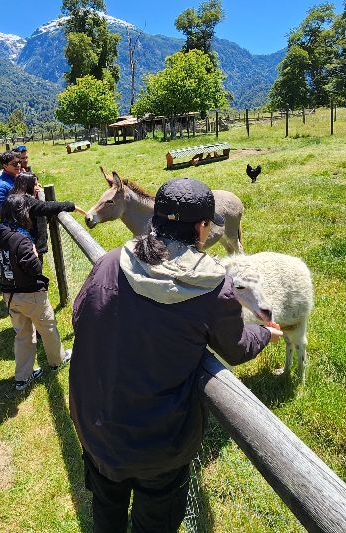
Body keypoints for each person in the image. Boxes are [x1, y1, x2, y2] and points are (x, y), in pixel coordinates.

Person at [68, 178, 283, 532]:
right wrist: (264, 332)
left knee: (106, 510)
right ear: (201, 227)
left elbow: (81, 316)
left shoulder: (109, 263)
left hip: (96, 428)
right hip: (158, 446)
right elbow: (237, 346)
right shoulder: (212, 287)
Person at [0, 194, 72, 391]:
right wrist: (33, 251)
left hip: (9, 295)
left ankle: (22, 378)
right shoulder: (21, 240)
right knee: (48, 327)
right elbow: (35, 268)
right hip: (31, 295)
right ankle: (57, 360)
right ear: (21, 213)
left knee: (23, 335)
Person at [7, 172, 86, 258]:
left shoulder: (12, 198)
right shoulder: (28, 202)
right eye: (35, 185)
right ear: (27, 186)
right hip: (27, 250)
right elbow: (49, 206)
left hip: (12, 246)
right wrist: (73, 207)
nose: (38, 188)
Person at [0, 151, 21, 218]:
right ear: (5, 166)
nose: (18, 165)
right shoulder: (1, 186)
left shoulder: (17, 177)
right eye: (14, 163)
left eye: (19, 162)